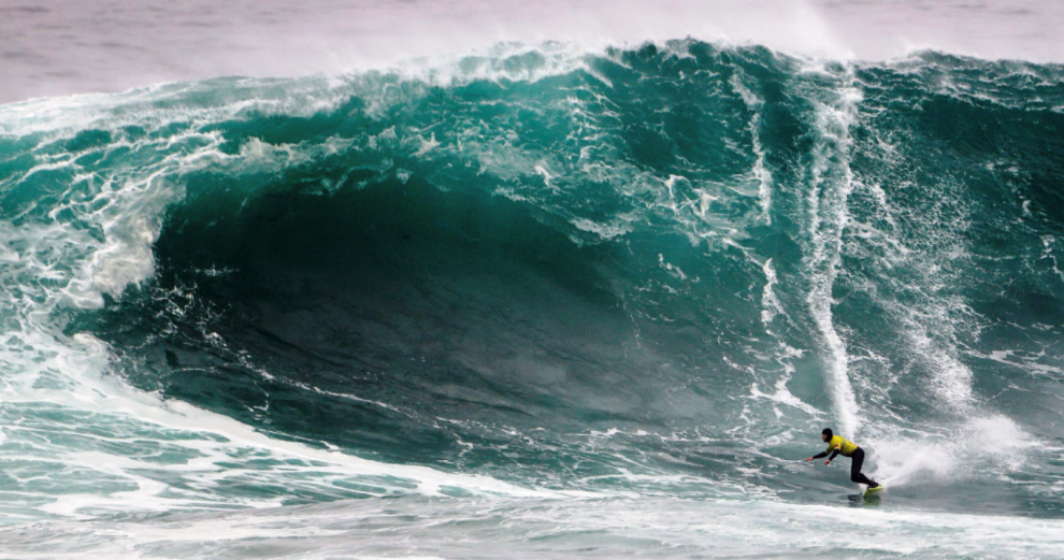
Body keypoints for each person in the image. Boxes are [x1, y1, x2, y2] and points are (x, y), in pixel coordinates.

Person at [804, 428, 880, 489]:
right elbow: (825, 453)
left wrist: (829, 459)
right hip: (855, 454)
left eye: (824, 435)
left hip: (858, 452)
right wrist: (813, 457)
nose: (822, 437)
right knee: (854, 478)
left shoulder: (835, 441)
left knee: (855, 474)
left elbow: (837, 450)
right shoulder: (831, 443)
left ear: (828, 435)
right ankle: (871, 483)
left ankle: (873, 484)